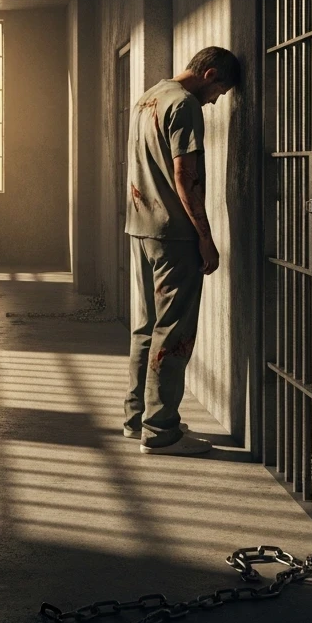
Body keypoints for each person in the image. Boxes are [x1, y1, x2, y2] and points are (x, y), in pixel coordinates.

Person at [123, 46, 240, 455]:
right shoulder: (185, 105)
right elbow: (185, 175)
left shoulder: (148, 97)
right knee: (173, 332)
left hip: (140, 228)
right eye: (220, 92)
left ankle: (138, 418)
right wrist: (205, 236)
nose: (215, 102)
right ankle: (160, 431)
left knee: (146, 328)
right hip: (173, 234)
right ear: (210, 75)